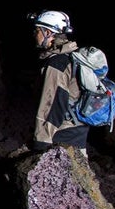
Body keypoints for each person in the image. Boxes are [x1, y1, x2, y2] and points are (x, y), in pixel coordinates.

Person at [27, 10, 89, 152]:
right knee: (78, 170)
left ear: (48, 32)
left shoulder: (57, 63)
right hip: (77, 128)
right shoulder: (70, 56)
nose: (34, 34)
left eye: (37, 30)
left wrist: (41, 141)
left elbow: (51, 103)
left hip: (62, 132)